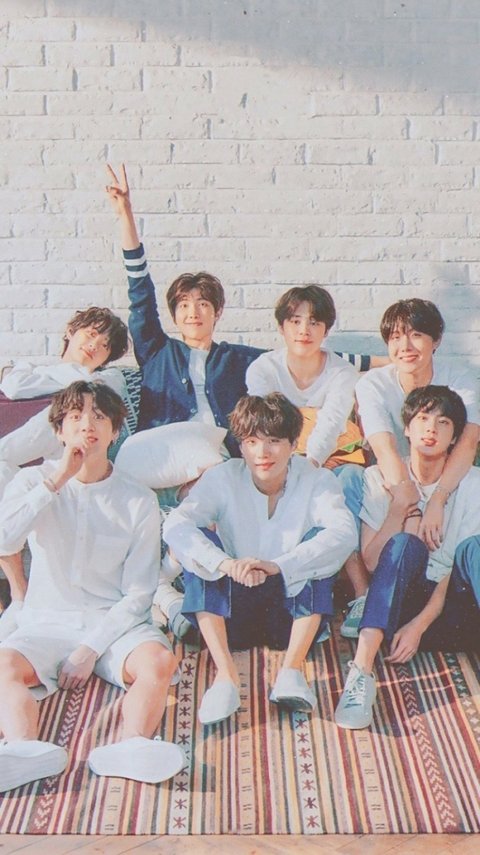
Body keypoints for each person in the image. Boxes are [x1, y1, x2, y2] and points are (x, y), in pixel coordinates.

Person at [105, 163, 381, 639]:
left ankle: (172, 597)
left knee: (216, 489)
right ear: (174, 314)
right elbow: (138, 291)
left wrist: (391, 361)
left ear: (218, 311)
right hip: (163, 457)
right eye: (184, 305)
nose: (193, 312)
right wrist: (125, 216)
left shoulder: (239, 360)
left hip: (215, 465)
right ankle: (173, 594)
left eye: (203, 304)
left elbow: (305, 351)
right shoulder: (155, 349)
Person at [0, 381, 185, 791]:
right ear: (59, 430)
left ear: (115, 431)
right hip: (46, 621)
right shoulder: (33, 482)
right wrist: (57, 481)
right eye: (76, 416)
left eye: (99, 417)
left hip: (113, 624)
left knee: (159, 662)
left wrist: (90, 649)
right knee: (2, 667)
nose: (88, 425)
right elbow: (4, 540)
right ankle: (22, 751)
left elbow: (139, 592)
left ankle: (131, 746)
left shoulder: (137, 499)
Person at [163, 393, 357, 725]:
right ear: (240, 446)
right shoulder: (223, 477)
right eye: (252, 441)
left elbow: (344, 533)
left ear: (293, 444)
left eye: (274, 441)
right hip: (231, 612)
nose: (262, 453)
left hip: (290, 615)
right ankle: (225, 677)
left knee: (320, 543)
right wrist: (225, 563)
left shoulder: (316, 479)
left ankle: (291, 672)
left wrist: (282, 565)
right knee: (201, 546)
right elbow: (176, 525)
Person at [335, 386, 480, 731]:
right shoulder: (380, 478)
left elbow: (456, 568)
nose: (431, 429)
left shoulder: (472, 483)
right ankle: (361, 674)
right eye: (423, 419)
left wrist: (420, 626)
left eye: (443, 423)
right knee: (403, 544)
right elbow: (372, 562)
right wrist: (401, 509)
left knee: (474, 548)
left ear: (455, 437)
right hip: (397, 608)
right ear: (407, 429)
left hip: (450, 610)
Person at [349, 298, 480, 638]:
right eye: (395, 337)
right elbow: (383, 448)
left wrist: (437, 498)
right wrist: (411, 502)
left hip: (448, 474)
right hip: (396, 477)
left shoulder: (460, 379)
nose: (405, 346)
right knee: (347, 480)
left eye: (416, 335)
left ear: (436, 341)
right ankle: (363, 597)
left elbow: (468, 444)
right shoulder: (373, 384)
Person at [246, 285, 371, 637]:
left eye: (314, 322)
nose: (304, 330)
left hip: (330, 459)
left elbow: (331, 425)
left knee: (343, 484)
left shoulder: (341, 372)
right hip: (280, 459)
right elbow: (268, 426)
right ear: (282, 326)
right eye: (295, 321)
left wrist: (310, 467)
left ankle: (361, 595)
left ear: (326, 329)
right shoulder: (263, 369)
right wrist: (295, 470)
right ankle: (307, 602)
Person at [0, 307, 129, 640]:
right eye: (91, 334)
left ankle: (19, 596)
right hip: (19, 471)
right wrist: (72, 375)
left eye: (104, 346)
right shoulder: (33, 370)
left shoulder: (106, 380)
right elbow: (13, 385)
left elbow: (21, 384)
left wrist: (75, 381)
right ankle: (19, 593)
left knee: (69, 409)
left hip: (60, 465)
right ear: (71, 331)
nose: (94, 345)